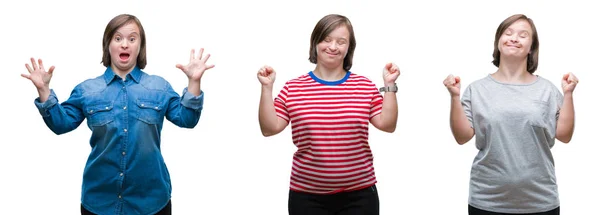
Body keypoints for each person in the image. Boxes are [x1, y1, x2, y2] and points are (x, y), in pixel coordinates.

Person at [21, 14, 214, 215]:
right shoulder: (87, 90)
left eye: (132, 39)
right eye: (118, 38)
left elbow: (187, 119)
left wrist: (194, 82)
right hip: (99, 201)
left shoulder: (159, 87)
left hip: (151, 201)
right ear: (108, 45)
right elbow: (61, 125)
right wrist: (43, 90)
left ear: (140, 46)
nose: (125, 45)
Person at [257, 14, 400, 215]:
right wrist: (266, 89)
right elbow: (269, 129)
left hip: (359, 196)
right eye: (327, 39)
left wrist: (389, 85)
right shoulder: (293, 88)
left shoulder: (364, 86)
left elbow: (388, 125)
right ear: (315, 42)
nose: (333, 47)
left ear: (349, 48)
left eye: (341, 42)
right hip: (307, 197)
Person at [443, 14, 578, 215]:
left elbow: (565, 135)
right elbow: (462, 137)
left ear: (531, 47)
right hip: (486, 200)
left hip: (540, 200)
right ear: (498, 42)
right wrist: (454, 97)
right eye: (508, 33)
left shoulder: (547, 90)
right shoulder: (476, 89)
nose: (514, 38)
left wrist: (568, 94)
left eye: (523, 35)